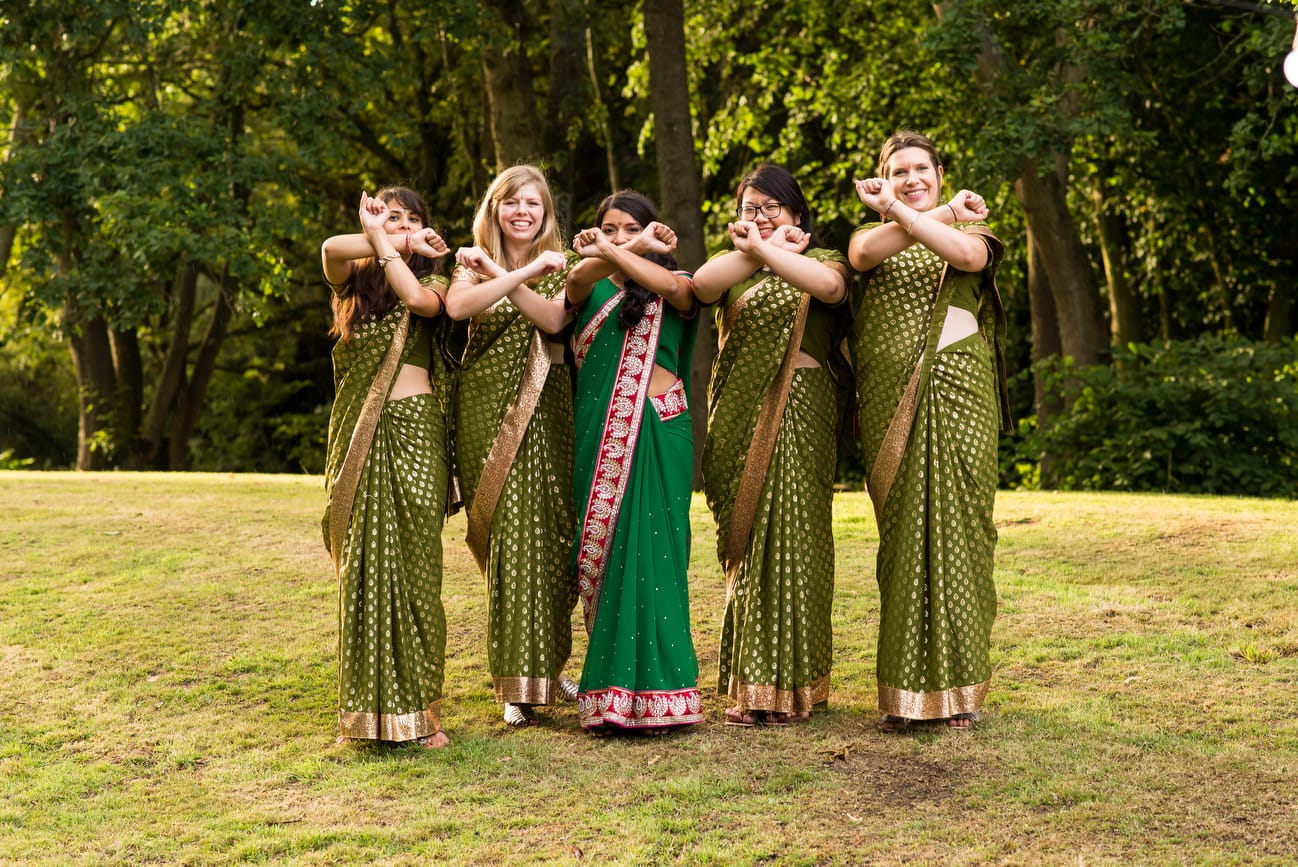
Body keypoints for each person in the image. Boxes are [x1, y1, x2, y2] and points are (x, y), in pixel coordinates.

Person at [847, 130, 1011, 732]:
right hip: (892, 402)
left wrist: (918, 212)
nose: (911, 178)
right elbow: (863, 255)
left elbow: (965, 259)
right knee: (902, 540)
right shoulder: (870, 238)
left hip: (961, 398)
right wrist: (922, 212)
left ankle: (960, 693)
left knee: (963, 534)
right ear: (884, 178)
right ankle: (903, 694)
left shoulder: (974, 233)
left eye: (921, 169)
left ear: (940, 174)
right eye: (898, 171)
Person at [693, 164, 850, 727]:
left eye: (771, 207)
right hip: (740, 410)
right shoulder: (735, 266)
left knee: (796, 538)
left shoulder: (825, 259)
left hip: (802, 410)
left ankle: (796, 686)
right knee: (751, 538)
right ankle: (752, 685)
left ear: (797, 213)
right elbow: (701, 287)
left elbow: (829, 289)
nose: (759, 217)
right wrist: (758, 250)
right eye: (749, 208)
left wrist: (768, 250)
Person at [546, 190, 703, 732]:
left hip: (660, 430)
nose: (619, 238)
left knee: (661, 554)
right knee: (610, 554)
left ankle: (668, 691)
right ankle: (609, 693)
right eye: (608, 229)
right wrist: (628, 247)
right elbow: (575, 280)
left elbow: (673, 291)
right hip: (602, 439)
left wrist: (615, 248)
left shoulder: (676, 281)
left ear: (654, 231)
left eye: (631, 228)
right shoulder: (587, 285)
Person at [444, 165, 579, 727]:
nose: (523, 212)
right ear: (494, 208)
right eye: (512, 202)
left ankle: (548, 668)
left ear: (546, 214)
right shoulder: (469, 264)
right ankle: (514, 684)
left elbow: (552, 319)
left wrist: (503, 272)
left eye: (533, 204)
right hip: (485, 411)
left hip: (549, 412)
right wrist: (510, 270)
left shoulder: (563, 265)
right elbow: (458, 309)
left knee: (553, 538)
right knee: (510, 541)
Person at [320, 187, 453, 748]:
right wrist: (380, 235)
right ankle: (363, 715)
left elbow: (419, 303)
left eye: (412, 218)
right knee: (363, 570)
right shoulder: (352, 282)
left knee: (418, 568)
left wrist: (392, 242)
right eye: (392, 216)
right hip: (360, 435)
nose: (402, 225)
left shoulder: (438, 278)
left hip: (417, 431)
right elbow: (331, 248)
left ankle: (421, 713)